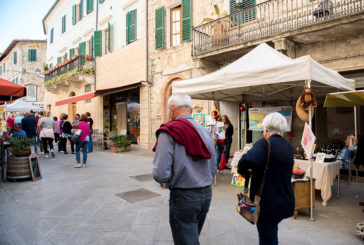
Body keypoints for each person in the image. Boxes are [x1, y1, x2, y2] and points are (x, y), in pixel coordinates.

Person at [152, 93, 217, 245]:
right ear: (191, 110)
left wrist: (166, 181)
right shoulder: (205, 132)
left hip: (184, 195)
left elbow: (161, 173)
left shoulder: (169, 131)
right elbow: (213, 166)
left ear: (172, 109)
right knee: (192, 237)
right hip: (206, 194)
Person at [237, 112, 294, 245]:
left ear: (266, 129)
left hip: (267, 203)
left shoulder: (264, 143)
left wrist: (246, 172)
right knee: (271, 232)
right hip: (285, 200)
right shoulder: (287, 146)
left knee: (268, 239)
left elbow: (244, 162)